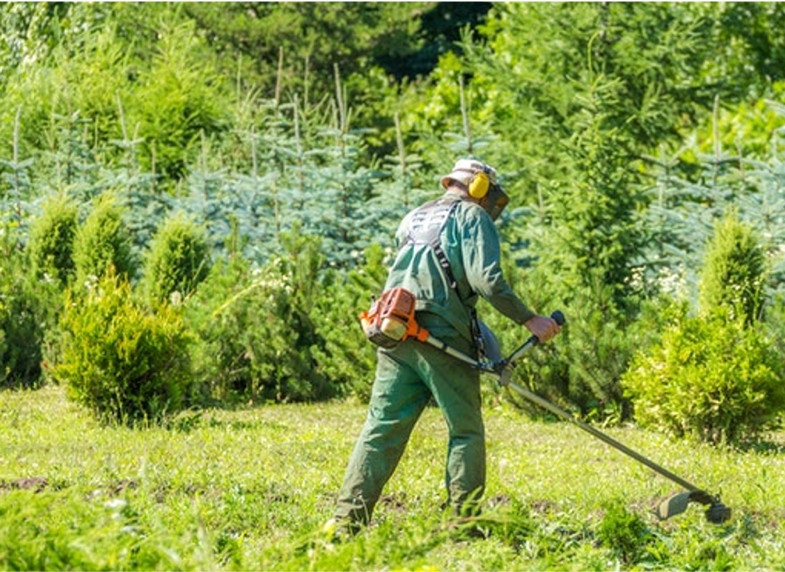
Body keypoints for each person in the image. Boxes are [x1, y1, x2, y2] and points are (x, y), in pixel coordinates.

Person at [331, 158, 561, 533]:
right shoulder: (472, 217)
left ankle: (345, 522)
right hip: (441, 337)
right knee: (465, 429)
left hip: (395, 329)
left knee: (381, 428)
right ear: (480, 187)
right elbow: (486, 281)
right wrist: (530, 319)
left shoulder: (414, 217)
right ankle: (463, 525)